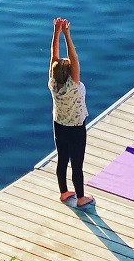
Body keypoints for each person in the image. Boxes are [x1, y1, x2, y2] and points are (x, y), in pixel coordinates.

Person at [49, 18, 94, 207]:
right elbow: (74, 59)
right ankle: (81, 197)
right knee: (77, 164)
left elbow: (53, 57)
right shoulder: (72, 86)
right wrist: (66, 34)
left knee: (62, 160)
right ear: (68, 73)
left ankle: (64, 191)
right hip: (76, 128)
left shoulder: (53, 83)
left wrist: (56, 33)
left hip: (59, 126)